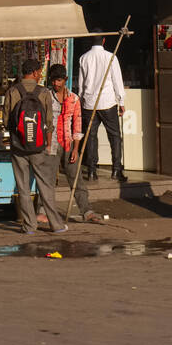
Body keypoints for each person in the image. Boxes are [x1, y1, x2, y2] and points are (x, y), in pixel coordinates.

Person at [4, 59, 67, 235]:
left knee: (23, 187)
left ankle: (29, 226)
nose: (40, 75)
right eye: (39, 72)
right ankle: (56, 225)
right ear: (34, 73)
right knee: (45, 185)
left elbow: (6, 120)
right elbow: (48, 122)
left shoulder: (12, 91)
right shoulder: (44, 92)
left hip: (18, 147)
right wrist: (47, 144)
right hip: (39, 147)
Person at [38, 64, 104, 226]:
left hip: (68, 143)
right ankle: (41, 210)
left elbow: (77, 125)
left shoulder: (74, 99)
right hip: (50, 144)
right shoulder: (45, 96)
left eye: (59, 80)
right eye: (54, 80)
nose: (56, 84)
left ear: (65, 80)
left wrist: (76, 149)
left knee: (76, 179)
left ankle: (86, 211)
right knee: (48, 179)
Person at [78, 35, 127, 181]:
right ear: (104, 40)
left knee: (91, 137)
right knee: (115, 136)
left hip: (89, 103)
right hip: (107, 103)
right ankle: (116, 170)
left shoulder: (84, 58)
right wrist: (121, 101)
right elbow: (117, 80)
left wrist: (81, 100)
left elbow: (81, 84)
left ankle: (92, 171)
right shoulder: (110, 57)